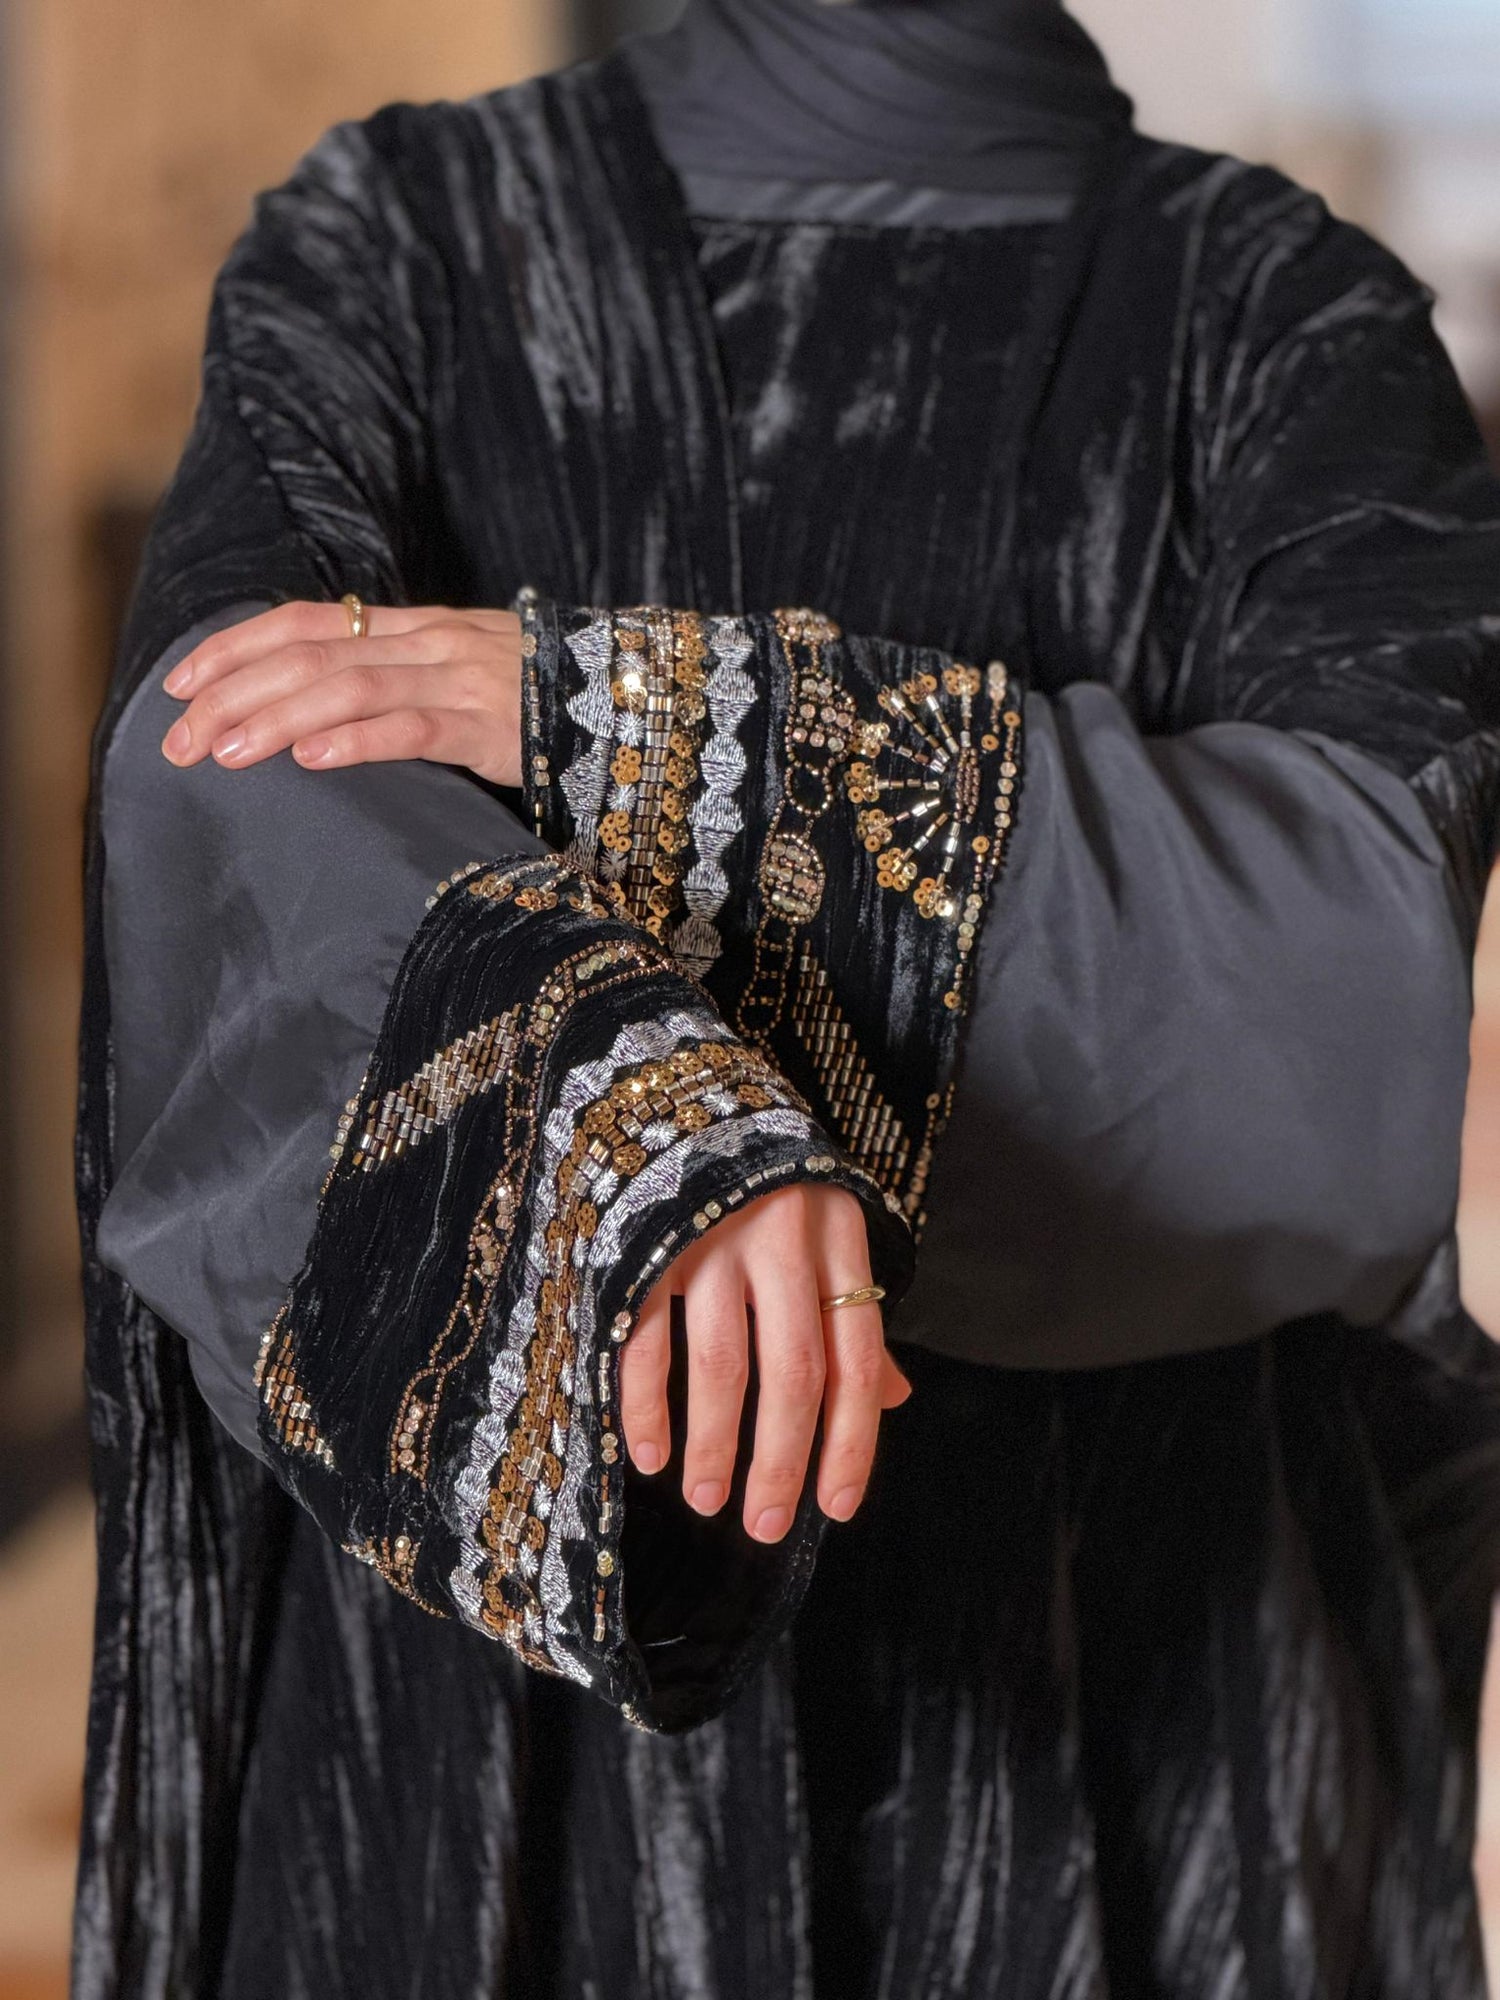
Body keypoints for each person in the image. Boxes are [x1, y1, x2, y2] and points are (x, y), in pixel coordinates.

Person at [73, 1, 1500, 1993]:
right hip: (498, 1723)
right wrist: (640, 1115)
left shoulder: (1284, 309)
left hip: (1141, 1694)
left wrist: (619, 721)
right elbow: (231, 782)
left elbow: (1351, 989)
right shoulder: (401, 235)